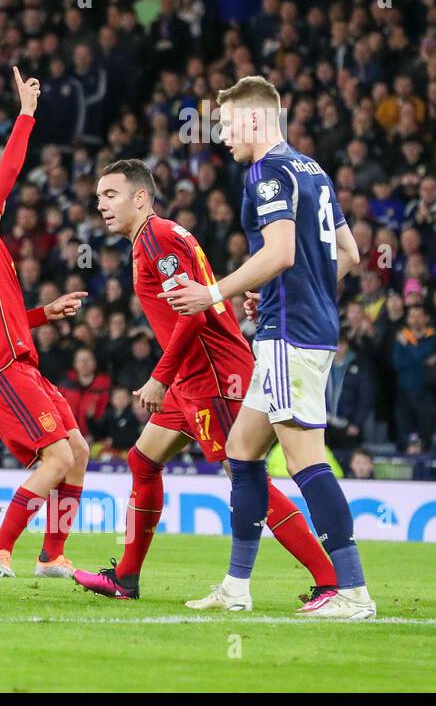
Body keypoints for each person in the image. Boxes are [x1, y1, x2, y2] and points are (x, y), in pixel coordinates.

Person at [160, 75, 374, 619]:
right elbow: (347, 251)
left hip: (290, 336)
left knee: (304, 457)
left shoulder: (267, 171)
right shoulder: (313, 169)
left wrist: (213, 292)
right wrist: (284, 292)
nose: (224, 135)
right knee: (242, 450)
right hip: (305, 325)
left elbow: (278, 251)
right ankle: (236, 587)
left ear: (255, 120)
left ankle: (351, 591)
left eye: (228, 124)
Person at [75, 159, 336, 602]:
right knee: (143, 460)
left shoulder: (157, 238)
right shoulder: (156, 237)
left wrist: (159, 378)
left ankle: (331, 580)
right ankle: (126, 578)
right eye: (99, 196)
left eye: (110, 195)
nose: (100, 204)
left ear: (140, 198)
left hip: (214, 374)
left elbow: (192, 313)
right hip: (193, 376)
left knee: (247, 478)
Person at [0, 68, 90, 582]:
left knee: (78, 451)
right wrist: (26, 114)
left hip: (14, 358)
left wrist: (43, 314)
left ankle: (52, 555)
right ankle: (0, 550)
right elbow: (6, 175)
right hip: (2, 368)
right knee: (54, 457)